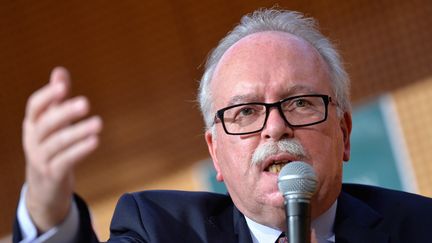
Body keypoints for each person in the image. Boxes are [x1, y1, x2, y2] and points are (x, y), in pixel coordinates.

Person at [13, 8, 432, 243]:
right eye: (246, 112)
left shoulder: (421, 229)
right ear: (215, 152)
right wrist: (47, 211)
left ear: (344, 132)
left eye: (300, 103)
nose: (275, 128)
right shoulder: (160, 232)